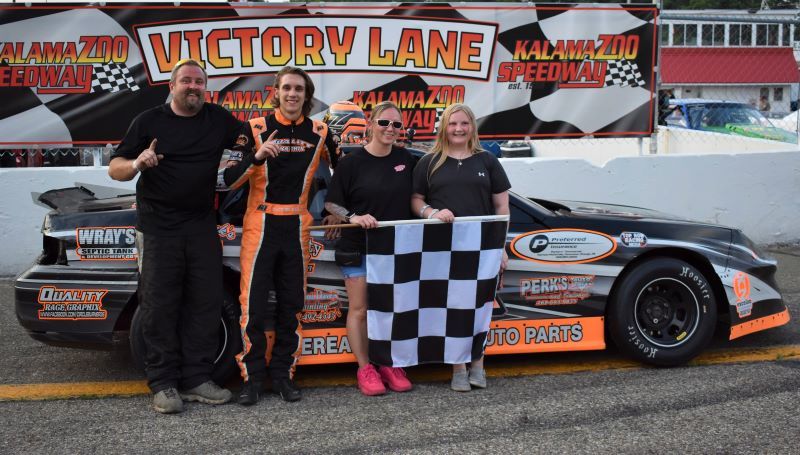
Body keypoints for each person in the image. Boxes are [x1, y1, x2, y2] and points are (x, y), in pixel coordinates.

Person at [108, 58, 242, 414]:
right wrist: (137, 163)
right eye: (186, 81)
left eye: (199, 81)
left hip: (201, 226)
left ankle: (197, 378)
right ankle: (163, 383)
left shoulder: (218, 119)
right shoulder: (148, 121)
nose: (193, 87)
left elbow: (251, 139)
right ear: (172, 86)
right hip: (158, 229)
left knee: (205, 303)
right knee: (159, 305)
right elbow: (115, 168)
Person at [223, 66, 339, 405]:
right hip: (260, 225)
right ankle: (252, 379)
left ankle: (284, 375)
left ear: (307, 95)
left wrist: (337, 208)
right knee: (253, 306)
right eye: (287, 87)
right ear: (276, 92)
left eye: (299, 89)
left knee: (292, 305)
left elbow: (344, 173)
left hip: (297, 225)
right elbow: (228, 179)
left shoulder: (320, 131)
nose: (292, 94)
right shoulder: (255, 128)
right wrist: (257, 157)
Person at [410, 103, 511, 392]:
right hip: (442, 251)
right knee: (452, 309)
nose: (458, 129)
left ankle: (478, 364)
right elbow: (415, 200)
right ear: (444, 127)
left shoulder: (487, 161)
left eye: (464, 123)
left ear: (472, 127)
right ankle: (457, 367)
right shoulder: (429, 162)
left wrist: (500, 247)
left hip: (482, 250)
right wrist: (432, 213)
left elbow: (502, 208)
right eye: (453, 123)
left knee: (480, 308)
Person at [324, 101, 416, 396]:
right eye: (384, 122)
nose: (390, 128)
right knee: (360, 310)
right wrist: (351, 216)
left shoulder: (407, 160)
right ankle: (365, 368)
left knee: (390, 309)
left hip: (395, 250)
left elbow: (420, 198)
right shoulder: (351, 163)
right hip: (358, 248)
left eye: (396, 124)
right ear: (371, 125)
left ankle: (388, 363)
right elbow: (331, 203)